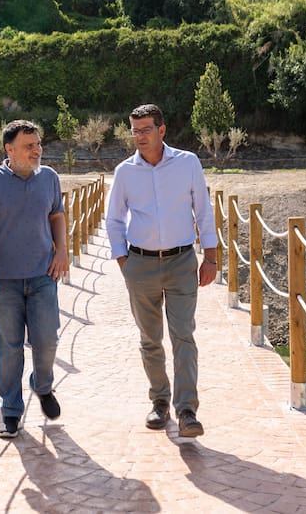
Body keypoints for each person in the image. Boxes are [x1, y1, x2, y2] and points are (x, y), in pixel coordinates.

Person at [106, 103, 217, 438]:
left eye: (146, 130)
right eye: (135, 131)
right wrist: (124, 262)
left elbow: (203, 211)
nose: (140, 136)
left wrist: (211, 258)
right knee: (149, 338)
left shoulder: (188, 163)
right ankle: (159, 402)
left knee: (183, 335)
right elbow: (114, 219)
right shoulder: (125, 172)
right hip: (140, 265)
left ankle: (187, 411)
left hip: (182, 262)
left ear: (162, 130)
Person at [0, 119, 69, 439]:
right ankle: (11, 411)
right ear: (9, 150)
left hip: (43, 275)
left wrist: (62, 251)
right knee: (10, 349)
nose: (37, 150)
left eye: (38, 144)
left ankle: (43, 385)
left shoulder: (49, 177)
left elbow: (56, 215)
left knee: (47, 340)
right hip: (4, 281)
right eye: (29, 146)